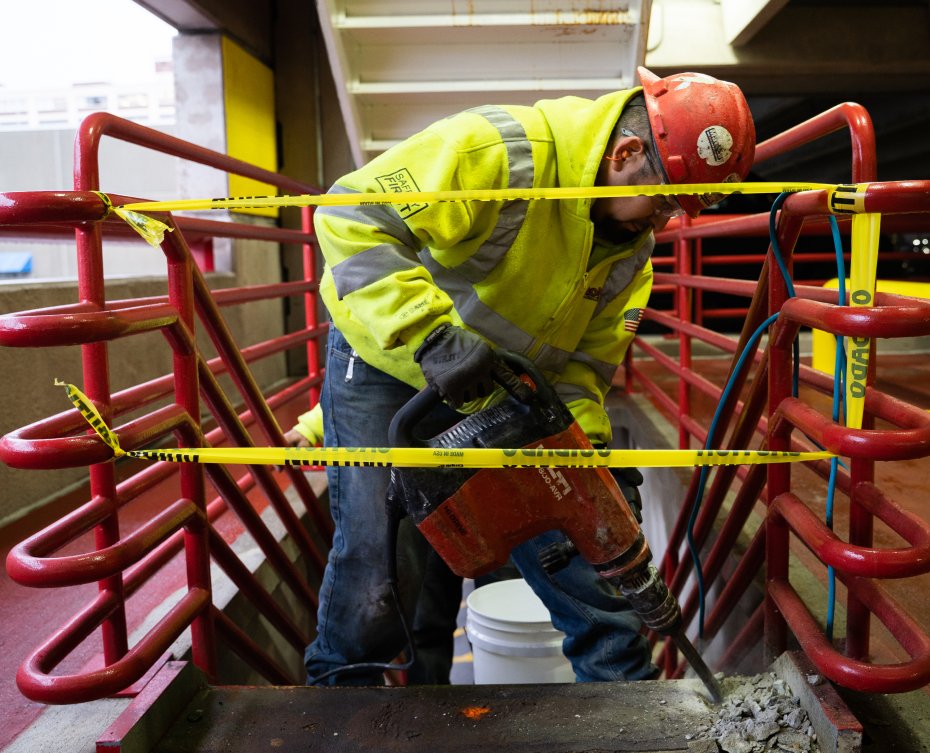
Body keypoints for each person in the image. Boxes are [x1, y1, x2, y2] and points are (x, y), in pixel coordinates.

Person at [299, 66, 756, 685]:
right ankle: (346, 702)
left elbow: (579, 375)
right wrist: (428, 334)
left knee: (572, 542)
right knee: (378, 560)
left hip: (496, 386)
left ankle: (626, 702)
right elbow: (351, 215)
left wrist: (591, 467)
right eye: (666, 200)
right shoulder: (500, 151)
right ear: (625, 154)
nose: (663, 224)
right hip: (386, 362)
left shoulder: (628, 255)